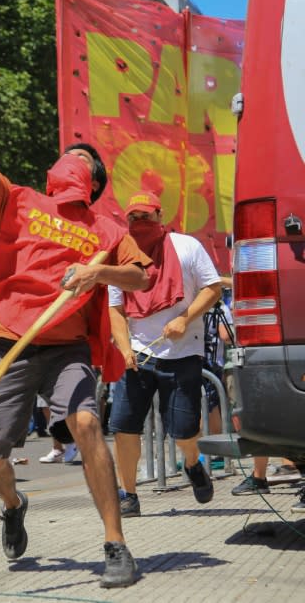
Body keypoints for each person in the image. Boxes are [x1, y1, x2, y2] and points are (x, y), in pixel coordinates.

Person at [0, 115, 150, 588]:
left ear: (94, 181)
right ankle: (13, 505)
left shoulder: (107, 229)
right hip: (10, 346)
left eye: (84, 157)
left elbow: (140, 277)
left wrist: (97, 275)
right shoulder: (21, 200)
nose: (73, 157)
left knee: (86, 423)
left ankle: (116, 544)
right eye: (69, 153)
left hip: (68, 348)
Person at [108, 190, 222, 518]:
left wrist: (184, 319)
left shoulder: (188, 247)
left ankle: (192, 463)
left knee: (184, 430)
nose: (139, 222)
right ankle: (128, 494)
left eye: (145, 216)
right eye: (133, 217)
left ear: (160, 216)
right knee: (124, 427)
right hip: (138, 356)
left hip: (183, 352)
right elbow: (115, 309)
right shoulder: (121, 255)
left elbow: (212, 288)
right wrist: (124, 348)